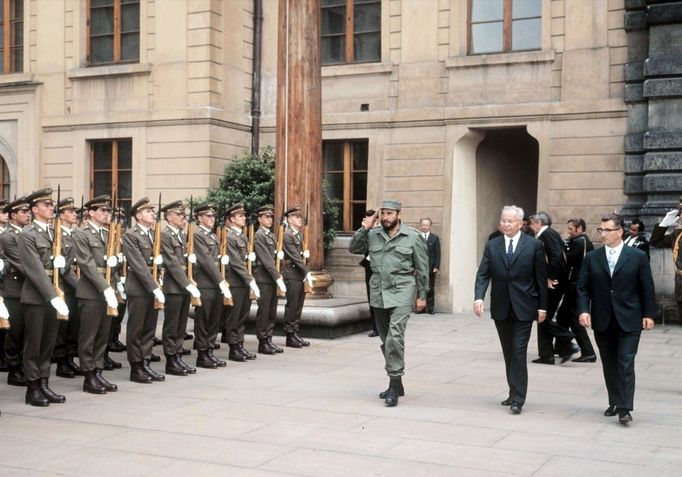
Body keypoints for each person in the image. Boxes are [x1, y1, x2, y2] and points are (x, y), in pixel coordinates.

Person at [577, 212, 656, 424]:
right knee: (609, 363)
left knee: (626, 362)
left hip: (630, 318)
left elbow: (646, 287)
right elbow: (582, 288)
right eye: (601, 230)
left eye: (607, 230)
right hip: (603, 319)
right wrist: (583, 310)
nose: (603, 234)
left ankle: (624, 407)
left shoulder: (637, 257)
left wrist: (649, 314)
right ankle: (614, 400)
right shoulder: (592, 258)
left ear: (619, 232)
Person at [349, 199, 429, 407]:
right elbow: (353, 248)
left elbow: (422, 267)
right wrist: (364, 228)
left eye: (390, 214)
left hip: (402, 289)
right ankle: (398, 382)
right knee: (386, 340)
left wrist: (422, 295)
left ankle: (393, 382)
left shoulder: (412, 237)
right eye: (383, 213)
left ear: (398, 215)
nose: (386, 218)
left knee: (395, 336)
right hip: (378, 292)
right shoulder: (373, 234)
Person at [474, 205, 547, 415]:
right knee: (508, 352)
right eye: (503, 220)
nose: (505, 224)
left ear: (520, 223)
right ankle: (512, 391)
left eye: (509, 221)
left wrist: (542, 307)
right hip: (501, 307)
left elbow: (540, 279)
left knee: (518, 351)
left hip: (525, 306)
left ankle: (518, 398)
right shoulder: (493, 244)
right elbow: (483, 273)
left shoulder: (534, 245)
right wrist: (478, 297)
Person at [18, 188, 71, 406]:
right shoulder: (27, 234)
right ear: (34, 209)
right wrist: (53, 297)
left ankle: (44, 382)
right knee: (34, 344)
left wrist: (64, 264)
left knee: (49, 342)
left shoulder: (54, 232)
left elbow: (66, 261)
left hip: (53, 294)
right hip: (37, 297)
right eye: (46, 205)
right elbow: (35, 270)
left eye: (51, 205)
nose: (51, 208)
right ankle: (32, 388)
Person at [73, 195, 121, 394]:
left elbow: (110, 265)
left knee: (103, 334)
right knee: (89, 335)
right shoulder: (82, 233)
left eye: (108, 211)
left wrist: (116, 267)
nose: (107, 214)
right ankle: (88, 375)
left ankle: (98, 370)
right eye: (102, 210)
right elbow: (87, 264)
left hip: (107, 289)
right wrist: (105, 288)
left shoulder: (109, 233)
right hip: (91, 292)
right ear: (91, 213)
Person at [121, 197, 165, 384]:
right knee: (136, 329)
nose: (152, 214)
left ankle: (146, 362)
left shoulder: (153, 234)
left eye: (152, 211)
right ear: (138, 216)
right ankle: (136, 367)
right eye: (148, 211)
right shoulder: (131, 235)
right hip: (139, 289)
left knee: (149, 329)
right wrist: (154, 287)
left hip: (152, 287)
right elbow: (138, 265)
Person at [160, 200, 201, 376]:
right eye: (179, 215)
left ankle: (177, 355)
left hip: (184, 285)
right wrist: (187, 284)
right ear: (169, 217)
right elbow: (172, 263)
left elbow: (185, 262)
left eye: (184, 215)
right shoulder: (165, 235)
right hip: (174, 286)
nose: (183, 218)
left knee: (181, 325)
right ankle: (171, 360)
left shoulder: (182, 235)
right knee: (172, 325)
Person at [529, 211, 574, 364]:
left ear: (539, 223)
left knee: (543, 316)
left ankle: (566, 337)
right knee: (542, 316)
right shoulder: (546, 234)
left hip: (553, 283)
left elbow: (556, 256)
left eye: (531, 223)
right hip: (552, 281)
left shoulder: (547, 234)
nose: (530, 226)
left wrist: (550, 277)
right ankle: (546, 355)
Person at [192, 202, 231, 368]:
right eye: (208, 216)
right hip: (205, 283)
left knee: (214, 319)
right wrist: (221, 280)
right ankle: (202, 354)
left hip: (215, 283)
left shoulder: (213, 235)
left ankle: (209, 350)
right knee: (204, 320)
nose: (212, 219)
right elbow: (206, 261)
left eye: (213, 216)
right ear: (200, 218)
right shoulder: (198, 234)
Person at [224, 203, 260, 361]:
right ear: (231, 219)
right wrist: (251, 280)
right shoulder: (230, 237)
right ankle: (233, 348)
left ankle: (239, 344)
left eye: (244, 215)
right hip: (236, 282)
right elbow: (236, 263)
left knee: (242, 315)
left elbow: (243, 260)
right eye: (240, 216)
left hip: (243, 283)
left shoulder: (242, 236)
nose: (244, 218)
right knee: (235, 316)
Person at [1, 197, 30, 387]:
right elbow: (21, 262)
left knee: (25, 332)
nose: (27, 214)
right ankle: (13, 370)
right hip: (13, 289)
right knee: (15, 332)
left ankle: (22, 366)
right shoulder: (7, 236)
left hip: (27, 288)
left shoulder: (26, 233)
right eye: (23, 212)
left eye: (28, 211)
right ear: (13, 215)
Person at [557, 218, 596, 362]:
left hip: (576, 284)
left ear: (579, 229)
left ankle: (587, 351)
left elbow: (567, 259)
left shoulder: (580, 242)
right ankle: (562, 346)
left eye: (571, 229)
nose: (569, 231)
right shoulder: (580, 242)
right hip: (575, 283)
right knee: (562, 317)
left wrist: (563, 249)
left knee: (573, 318)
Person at [53, 197, 82, 379]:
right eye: (70, 212)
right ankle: (62, 362)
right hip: (65, 286)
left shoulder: (75, 234)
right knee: (62, 327)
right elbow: (64, 267)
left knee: (74, 325)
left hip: (77, 286)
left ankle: (70, 358)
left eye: (75, 212)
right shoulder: (57, 235)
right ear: (62, 215)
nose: (74, 215)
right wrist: (78, 285)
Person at [253, 204, 286, 354]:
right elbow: (266, 259)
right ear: (259, 219)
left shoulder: (271, 235)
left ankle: (269, 338)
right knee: (264, 311)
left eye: (271, 217)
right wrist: (277, 276)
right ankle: (262, 341)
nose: (269, 219)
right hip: (264, 279)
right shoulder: (259, 235)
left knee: (272, 311)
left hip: (272, 278)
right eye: (266, 217)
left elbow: (273, 256)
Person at [281, 206, 314, 348]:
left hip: (299, 273)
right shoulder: (287, 235)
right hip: (292, 273)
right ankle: (290, 335)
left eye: (300, 217)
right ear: (289, 219)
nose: (300, 219)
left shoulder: (299, 235)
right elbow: (294, 256)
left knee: (299, 305)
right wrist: (307, 271)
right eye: (296, 217)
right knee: (292, 305)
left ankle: (295, 332)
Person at [359, 209, 379, 337]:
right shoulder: (365, 233)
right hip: (370, 268)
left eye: (371, 219)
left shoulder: (383, 232)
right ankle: (375, 328)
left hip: (381, 268)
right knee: (371, 297)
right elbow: (357, 247)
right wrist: (364, 230)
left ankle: (382, 326)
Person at [419, 217, 441, 315]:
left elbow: (438, 253)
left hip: (430, 267)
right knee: (420, 288)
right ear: (420, 225)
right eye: (423, 225)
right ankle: (420, 308)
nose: (425, 227)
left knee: (430, 288)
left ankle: (430, 308)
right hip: (419, 267)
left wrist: (436, 266)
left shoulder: (434, 238)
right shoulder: (417, 237)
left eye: (426, 225)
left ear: (430, 226)